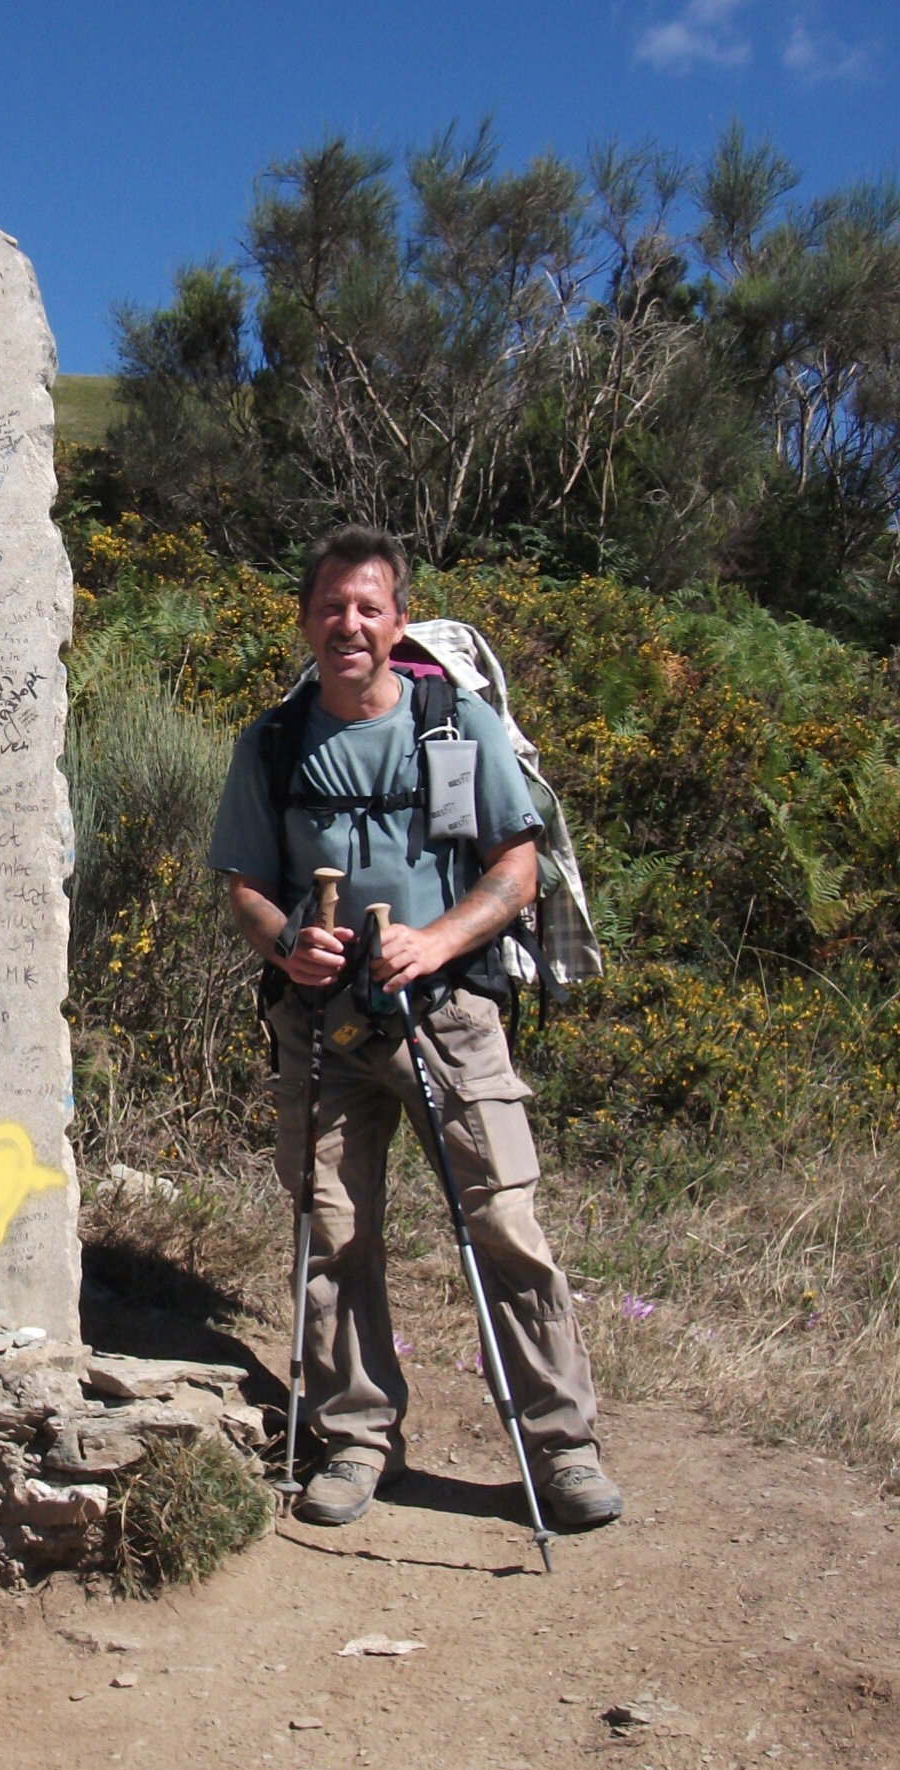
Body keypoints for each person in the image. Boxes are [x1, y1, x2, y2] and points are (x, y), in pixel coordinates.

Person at [209, 524, 622, 1531]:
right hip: (323, 1026)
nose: (348, 623)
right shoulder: (270, 743)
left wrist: (437, 944)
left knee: (502, 1223)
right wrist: (286, 945)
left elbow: (514, 869)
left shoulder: (453, 724)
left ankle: (561, 1448)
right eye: (331, 607)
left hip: (449, 1013)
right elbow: (245, 885)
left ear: (395, 623)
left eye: (368, 606)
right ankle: (356, 1440)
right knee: (336, 1233)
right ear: (305, 622)